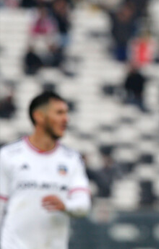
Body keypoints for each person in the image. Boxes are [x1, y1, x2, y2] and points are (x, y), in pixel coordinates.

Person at [0, 91, 91, 248]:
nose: (66, 119)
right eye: (59, 113)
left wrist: (66, 206)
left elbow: (83, 204)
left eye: (66, 113)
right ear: (39, 116)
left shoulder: (72, 159)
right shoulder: (8, 155)